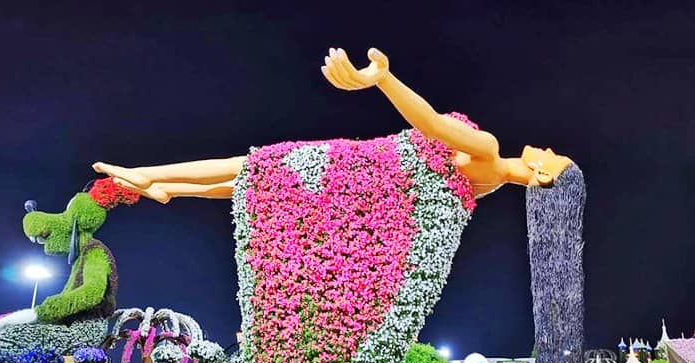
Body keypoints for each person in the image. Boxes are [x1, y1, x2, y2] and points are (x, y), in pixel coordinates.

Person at [92, 47, 574, 203]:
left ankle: (152, 174)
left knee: (252, 166)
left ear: (544, 174)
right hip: (367, 186)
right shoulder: (482, 189)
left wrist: (384, 79)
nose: (546, 148)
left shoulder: (488, 151)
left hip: (358, 164)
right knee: (259, 182)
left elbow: (427, 123)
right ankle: (167, 187)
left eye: (552, 156)